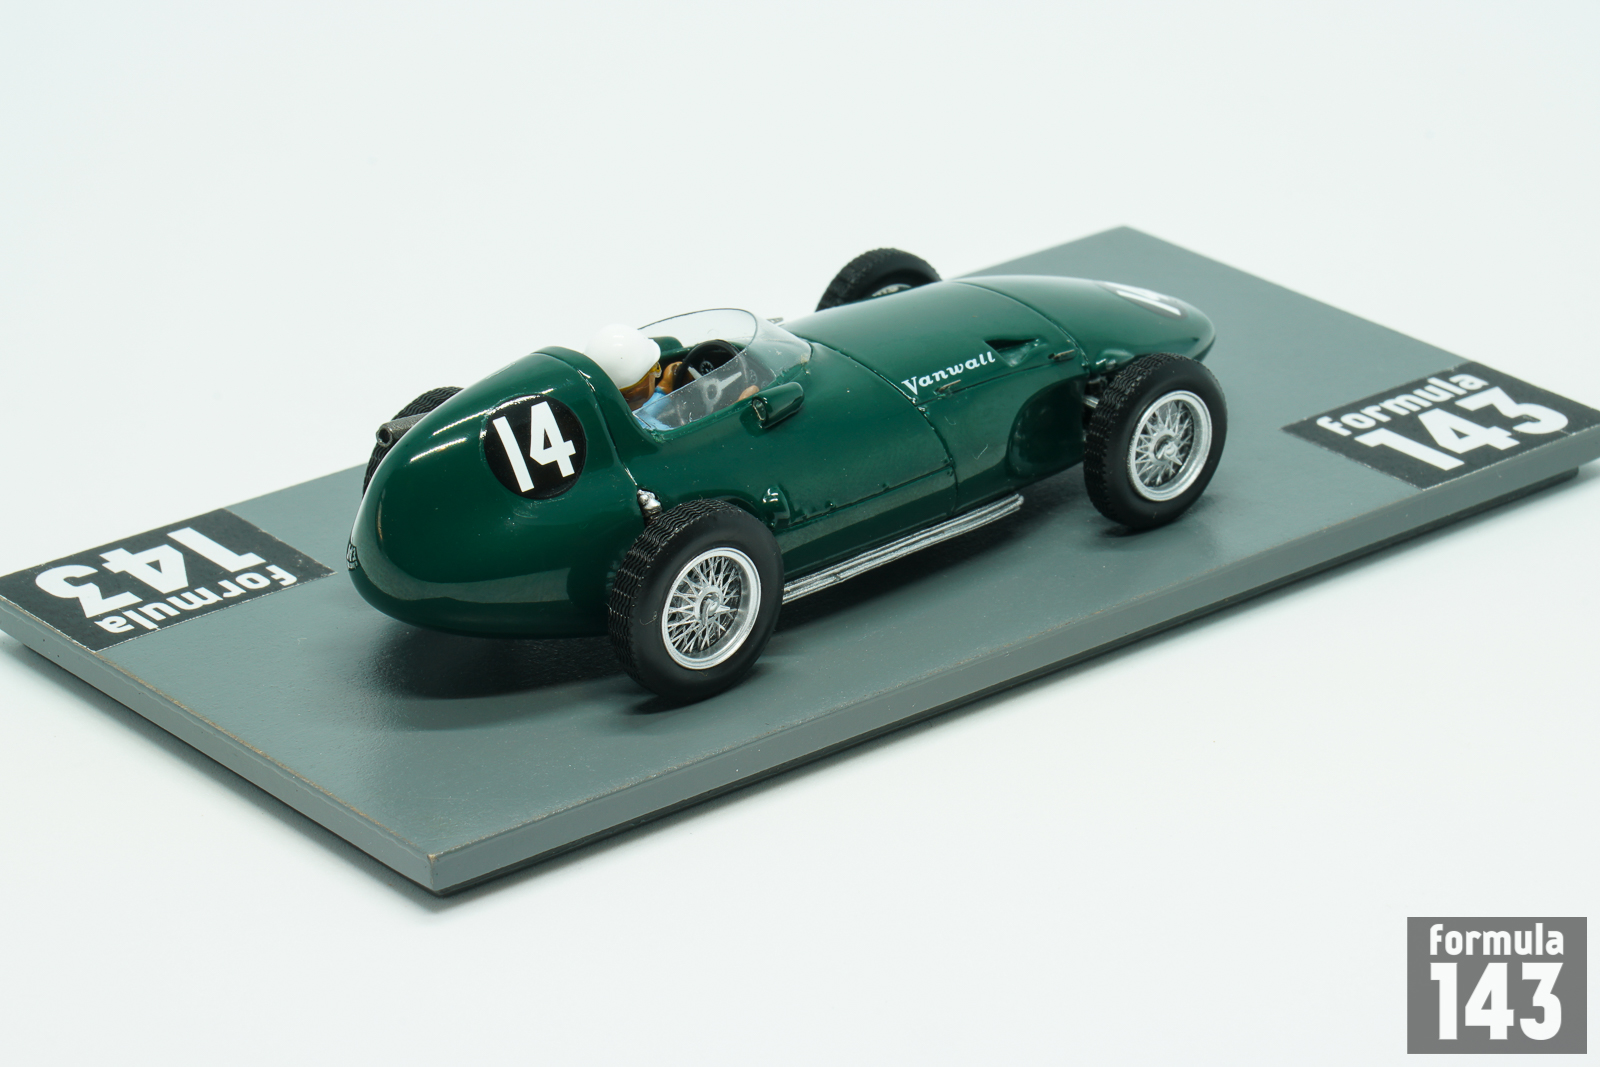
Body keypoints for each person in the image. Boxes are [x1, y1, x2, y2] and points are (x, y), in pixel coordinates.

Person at [585, 323, 676, 430]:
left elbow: (639, 413)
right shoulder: (652, 432)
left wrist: (664, 390)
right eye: (655, 368)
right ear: (638, 390)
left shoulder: (604, 415)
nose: (655, 375)